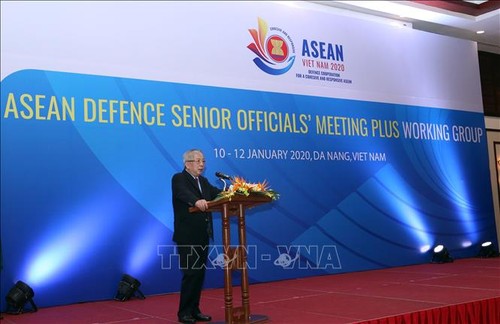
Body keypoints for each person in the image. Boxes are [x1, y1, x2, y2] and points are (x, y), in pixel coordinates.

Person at [172, 149, 222, 324]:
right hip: (187, 235)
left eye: (203, 161)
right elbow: (183, 194)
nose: (202, 164)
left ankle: (194, 310)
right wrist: (196, 201)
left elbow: (218, 194)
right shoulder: (179, 178)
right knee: (191, 273)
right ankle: (184, 312)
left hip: (202, 234)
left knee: (199, 274)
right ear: (188, 164)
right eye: (198, 161)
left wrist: (238, 192)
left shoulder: (204, 181)